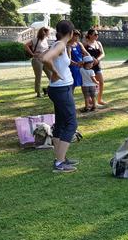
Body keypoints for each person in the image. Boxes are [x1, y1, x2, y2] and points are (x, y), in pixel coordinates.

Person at [41, 20, 79, 173]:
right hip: (61, 89)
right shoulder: (60, 45)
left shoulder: (59, 45)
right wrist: (55, 73)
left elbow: (43, 59)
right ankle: (60, 163)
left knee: (61, 124)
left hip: (59, 89)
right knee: (71, 124)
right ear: (70, 33)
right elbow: (45, 59)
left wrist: (53, 73)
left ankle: (60, 158)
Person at [24, 27, 52, 97]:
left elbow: (46, 49)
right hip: (37, 60)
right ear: (44, 32)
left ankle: (48, 90)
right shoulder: (35, 39)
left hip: (45, 59)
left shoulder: (46, 39)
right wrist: (32, 54)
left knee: (51, 75)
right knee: (38, 77)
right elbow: (26, 45)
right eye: (48, 32)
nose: (49, 33)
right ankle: (38, 93)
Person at [83, 29, 107, 105]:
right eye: (95, 34)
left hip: (97, 65)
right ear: (90, 35)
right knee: (89, 82)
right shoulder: (85, 43)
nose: (96, 36)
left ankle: (99, 99)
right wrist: (90, 59)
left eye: (97, 34)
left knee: (101, 82)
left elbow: (103, 54)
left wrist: (97, 59)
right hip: (88, 66)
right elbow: (83, 53)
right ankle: (89, 99)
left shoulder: (98, 43)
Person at [67, 30, 89, 95]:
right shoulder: (68, 46)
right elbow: (68, 59)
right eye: (75, 36)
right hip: (73, 67)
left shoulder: (79, 44)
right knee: (73, 84)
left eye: (77, 36)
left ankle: (88, 100)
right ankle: (70, 99)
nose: (76, 38)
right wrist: (76, 64)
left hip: (82, 66)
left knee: (84, 84)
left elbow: (86, 52)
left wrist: (90, 58)